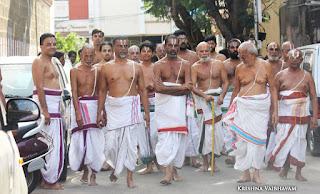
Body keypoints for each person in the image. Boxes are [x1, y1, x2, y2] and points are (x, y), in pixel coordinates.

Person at [97, 36, 150, 188]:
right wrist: (99, 113)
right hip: (113, 109)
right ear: (114, 48)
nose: (123, 49)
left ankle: (129, 177)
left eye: (125, 46)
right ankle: (115, 167)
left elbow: (143, 91)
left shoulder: (136, 67)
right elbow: (101, 91)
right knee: (111, 145)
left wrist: (146, 112)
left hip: (131, 108)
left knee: (131, 145)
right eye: (120, 46)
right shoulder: (106, 68)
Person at [223, 42, 278, 184]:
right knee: (242, 142)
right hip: (243, 108)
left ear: (252, 54)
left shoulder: (265, 66)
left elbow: (272, 89)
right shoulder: (240, 68)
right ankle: (246, 173)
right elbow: (235, 90)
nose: (241, 59)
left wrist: (275, 112)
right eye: (240, 56)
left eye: (243, 56)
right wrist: (230, 111)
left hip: (260, 109)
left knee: (259, 141)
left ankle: (257, 174)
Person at [270, 49, 318, 181]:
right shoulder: (280, 75)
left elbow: (313, 97)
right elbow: (274, 95)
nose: (295, 60)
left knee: (300, 142)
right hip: (284, 117)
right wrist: (274, 113)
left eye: (298, 58)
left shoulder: (307, 76)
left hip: (302, 117)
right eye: (292, 58)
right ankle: (285, 168)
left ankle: (298, 172)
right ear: (287, 59)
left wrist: (314, 118)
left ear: (302, 60)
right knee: (284, 141)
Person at [153, 34, 192, 184]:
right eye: (170, 45)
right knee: (164, 138)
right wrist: (179, 88)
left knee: (178, 137)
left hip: (178, 107)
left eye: (176, 45)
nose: (173, 48)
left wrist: (167, 88)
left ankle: (174, 171)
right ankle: (167, 174)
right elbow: (157, 88)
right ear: (165, 46)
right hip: (163, 106)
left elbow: (188, 88)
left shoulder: (186, 64)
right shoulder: (158, 65)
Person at [68, 45, 105, 186]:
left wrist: (102, 112)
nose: (89, 59)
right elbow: (74, 93)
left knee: (95, 142)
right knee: (81, 141)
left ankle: (94, 175)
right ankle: (84, 170)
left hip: (94, 106)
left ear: (94, 55)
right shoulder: (74, 71)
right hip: (80, 107)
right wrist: (77, 112)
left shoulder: (98, 71)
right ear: (80, 56)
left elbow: (101, 92)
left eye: (91, 56)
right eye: (86, 56)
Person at [32, 33, 64, 190]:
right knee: (49, 144)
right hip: (47, 108)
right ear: (41, 46)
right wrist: (44, 111)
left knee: (54, 143)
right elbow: (39, 87)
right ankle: (47, 181)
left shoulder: (52, 62)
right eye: (48, 44)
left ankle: (50, 180)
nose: (52, 46)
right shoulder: (39, 62)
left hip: (55, 107)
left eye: (54, 44)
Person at [192, 42, 228, 172]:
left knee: (215, 133)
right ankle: (205, 163)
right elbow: (192, 86)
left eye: (206, 50)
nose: (204, 53)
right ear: (197, 53)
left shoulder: (218, 64)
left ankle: (213, 163)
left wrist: (222, 96)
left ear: (210, 50)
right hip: (202, 101)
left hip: (216, 102)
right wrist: (204, 96)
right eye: (201, 51)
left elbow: (226, 82)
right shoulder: (195, 67)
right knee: (203, 132)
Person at [172, 30, 201, 168]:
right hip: (176, 96)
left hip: (191, 95)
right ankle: (182, 157)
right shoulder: (172, 56)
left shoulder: (194, 55)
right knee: (180, 126)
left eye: (185, 38)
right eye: (180, 39)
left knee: (193, 127)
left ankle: (193, 157)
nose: (183, 41)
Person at [137, 40, 163, 175]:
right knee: (143, 135)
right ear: (140, 53)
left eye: (149, 51)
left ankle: (158, 161)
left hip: (155, 102)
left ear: (153, 53)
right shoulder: (136, 67)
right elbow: (132, 85)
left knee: (155, 134)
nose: (146, 53)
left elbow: (162, 84)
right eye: (143, 51)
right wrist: (142, 89)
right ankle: (148, 165)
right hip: (140, 103)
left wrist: (153, 85)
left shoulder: (157, 67)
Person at [264, 42, 288, 170]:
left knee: (282, 131)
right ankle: (268, 160)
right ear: (267, 50)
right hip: (265, 101)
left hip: (282, 101)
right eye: (271, 49)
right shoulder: (262, 65)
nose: (274, 52)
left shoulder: (285, 65)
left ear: (280, 51)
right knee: (267, 130)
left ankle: (282, 161)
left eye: (276, 49)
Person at [94, 41, 113, 171]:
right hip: (102, 100)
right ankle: (105, 159)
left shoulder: (115, 66)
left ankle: (113, 159)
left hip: (115, 101)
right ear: (100, 52)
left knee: (113, 131)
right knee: (103, 132)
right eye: (104, 50)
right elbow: (96, 89)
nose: (107, 53)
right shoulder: (96, 68)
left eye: (109, 50)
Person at [222, 38, 242, 165]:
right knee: (228, 124)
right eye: (232, 47)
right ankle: (231, 154)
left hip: (242, 95)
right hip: (228, 96)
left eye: (237, 47)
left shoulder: (246, 63)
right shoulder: (224, 65)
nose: (235, 49)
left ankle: (241, 154)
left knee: (241, 124)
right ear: (228, 49)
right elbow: (222, 82)